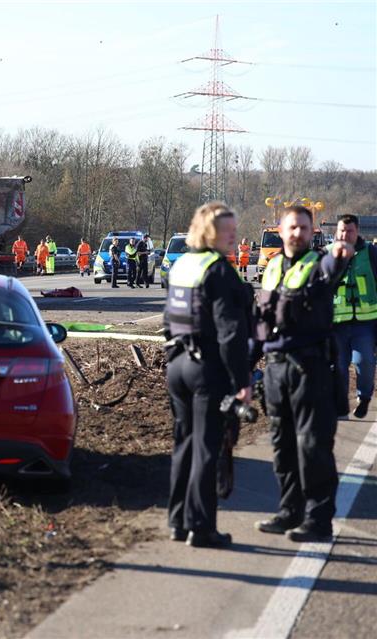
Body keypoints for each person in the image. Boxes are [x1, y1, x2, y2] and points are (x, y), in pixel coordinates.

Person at [253, 205, 354, 543]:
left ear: (312, 233)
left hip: (310, 370)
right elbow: (259, 323)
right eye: (292, 227)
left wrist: (341, 254)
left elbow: (334, 265)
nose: (297, 233)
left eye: (304, 228)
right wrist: (243, 370)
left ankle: (318, 521)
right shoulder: (272, 268)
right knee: (282, 446)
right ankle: (289, 512)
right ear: (280, 231)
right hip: (275, 369)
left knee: (313, 447)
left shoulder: (320, 264)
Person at [164, 202, 253, 548]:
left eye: (234, 229)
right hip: (206, 368)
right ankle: (201, 527)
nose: (233, 236)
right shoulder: (219, 271)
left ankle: (177, 521)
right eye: (226, 230)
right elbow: (231, 332)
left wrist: (173, 358)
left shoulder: (183, 265)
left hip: (178, 364)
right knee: (206, 448)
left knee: (184, 444)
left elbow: (168, 319)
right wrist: (243, 381)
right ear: (208, 232)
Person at [331, 214, 377, 418]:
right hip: (336, 324)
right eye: (342, 230)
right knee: (338, 367)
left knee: (364, 361)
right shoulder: (327, 254)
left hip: (365, 324)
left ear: (357, 231)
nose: (345, 234)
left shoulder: (371, 253)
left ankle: (364, 397)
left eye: (349, 231)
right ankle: (341, 406)